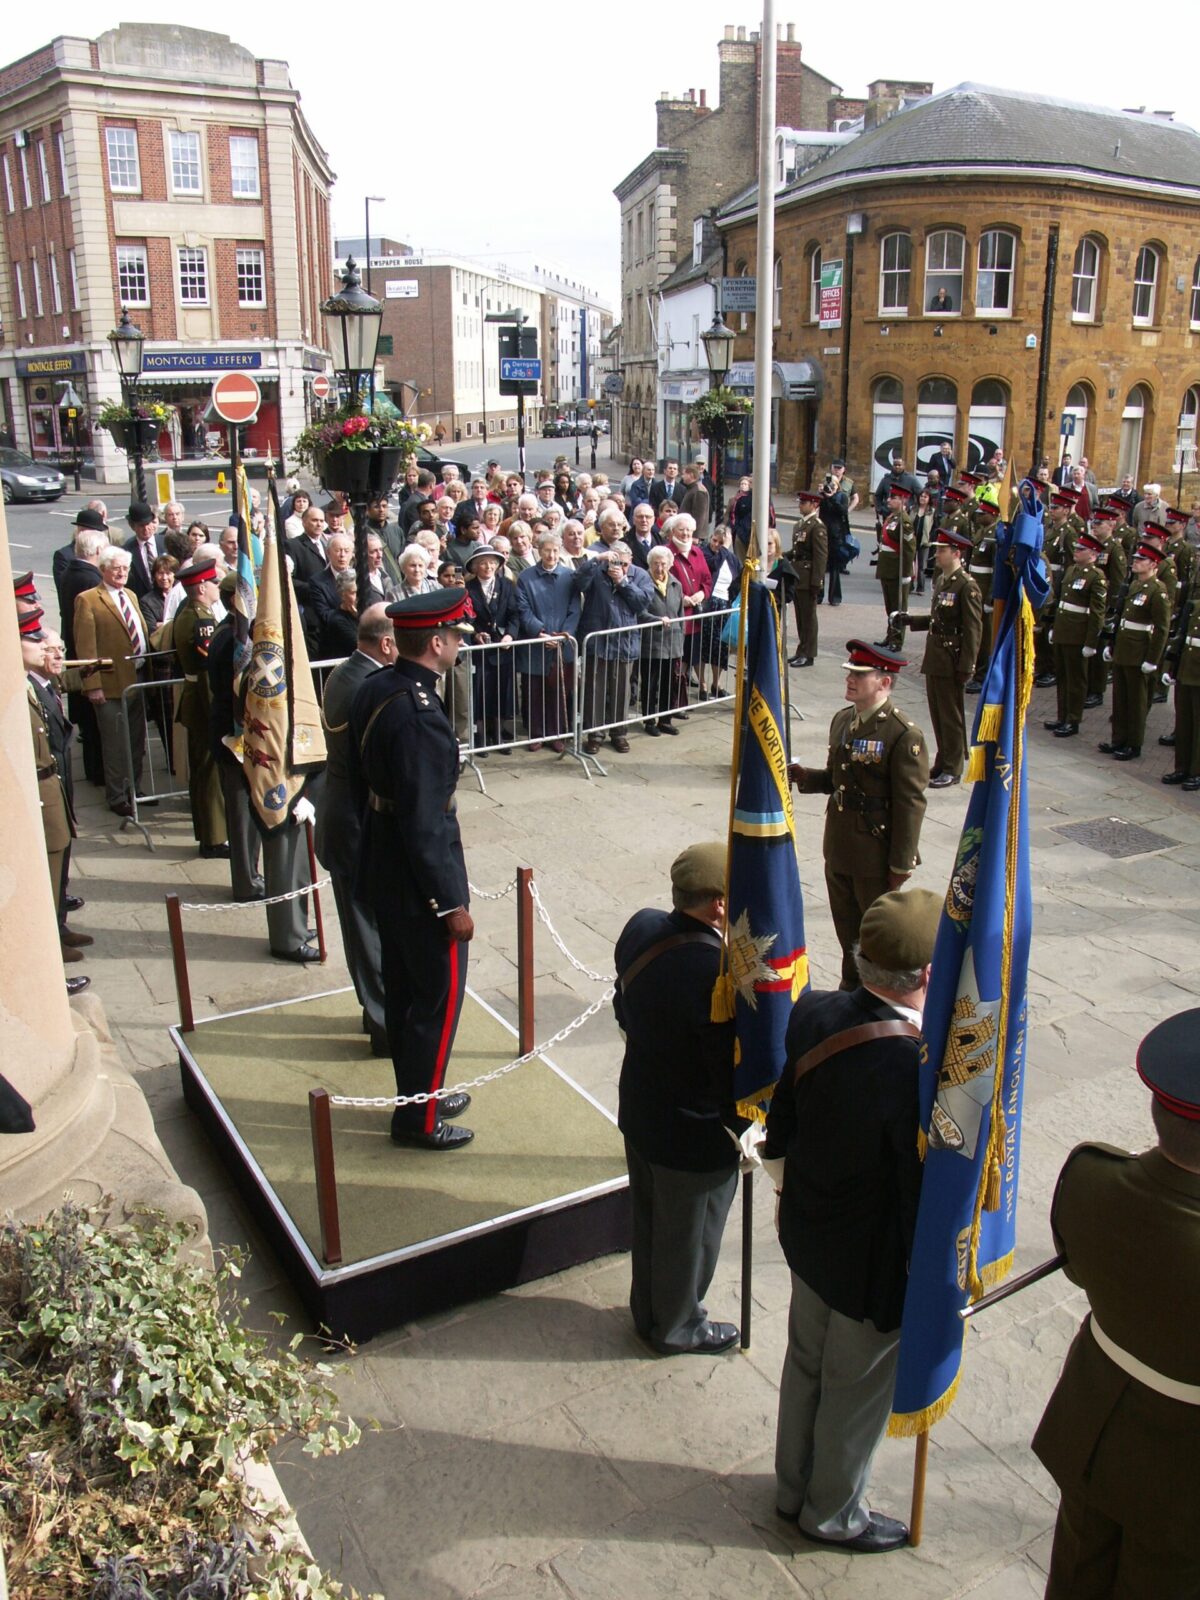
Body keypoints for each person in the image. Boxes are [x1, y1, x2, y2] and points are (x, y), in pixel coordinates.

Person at [763, 887, 942, 1552]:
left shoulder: (815, 1010)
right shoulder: (915, 1068)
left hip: (808, 1234)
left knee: (806, 1362)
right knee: (855, 1387)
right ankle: (831, 1512)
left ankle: (791, 1487)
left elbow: (783, 1121)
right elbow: (916, 1191)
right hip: (870, 1268)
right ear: (929, 975)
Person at [1032, 1009, 1200, 1598]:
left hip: (1095, 1423)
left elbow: (1078, 1266)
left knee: (1077, 1571)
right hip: (1184, 1480)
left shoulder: (1090, 1178)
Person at [349, 588, 476, 1149]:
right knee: (435, 1001)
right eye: (455, 636)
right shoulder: (420, 715)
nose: (459, 644)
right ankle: (419, 1121)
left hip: (383, 865)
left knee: (403, 996)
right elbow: (425, 823)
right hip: (420, 883)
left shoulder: (378, 684)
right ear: (436, 642)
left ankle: (418, 1093)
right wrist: (449, 903)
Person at [615, 841, 744, 1355]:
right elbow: (731, 1063)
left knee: (649, 1223)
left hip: (643, 1106)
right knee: (690, 1239)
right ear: (717, 905)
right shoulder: (718, 974)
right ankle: (676, 1327)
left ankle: (648, 1312)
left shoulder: (642, 925)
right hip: (694, 1133)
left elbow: (623, 1008)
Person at [789, 641, 929, 990]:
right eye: (850, 673)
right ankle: (850, 989)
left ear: (885, 683)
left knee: (875, 937)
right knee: (846, 932)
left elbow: (910, 802)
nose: (850, 680)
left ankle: (878, 994)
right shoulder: (843, 720)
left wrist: (901, 863)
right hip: (838, 846)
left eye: (860, 675)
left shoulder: (902, 733)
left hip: (873, 853)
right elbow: (840, 778)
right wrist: (807, 777)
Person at [315, 604, 396, 1057]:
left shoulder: (345, 673)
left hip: (342, 816)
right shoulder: (369, 687)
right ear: (386, 644)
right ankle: (385, 1026)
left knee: (360, 928)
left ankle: (374, 1012)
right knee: (369, 934)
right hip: (355, 823)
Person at [897, 526, 982, 787]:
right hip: (936, 655)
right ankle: (943, 761)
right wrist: (912, 620)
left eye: (942, 550)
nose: (938, 555)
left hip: (951, 657)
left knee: (951, 715)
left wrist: (967, 665)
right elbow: (939, 619)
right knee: (937, 712)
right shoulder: (944, 580)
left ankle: (954, 767)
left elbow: (973, 629)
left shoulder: (966, 586)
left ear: (956, 553)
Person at [73, 545, 150, 817]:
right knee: (116, 743)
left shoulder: (130, 594)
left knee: (137, 739)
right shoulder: (89, 599)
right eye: (116, 567)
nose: (122, 572)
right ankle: (117, 795)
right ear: (103, 569)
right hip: (109, 683)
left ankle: (135, 790)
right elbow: (86, 646)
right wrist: (92, 685)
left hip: (137, 678)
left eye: (125, 568)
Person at [172, 556, 229, 859]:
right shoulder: (201, 620)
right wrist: (215, 713)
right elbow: (207, 672)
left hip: (196, 701)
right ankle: (214, 837)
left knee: (205, 772)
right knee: (208, 774)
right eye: (215, 582)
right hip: (202, 704)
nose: (218, 587)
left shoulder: (193, 613)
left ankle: (211, 834)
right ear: (202, 587)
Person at [1099, 541, 1170, 761]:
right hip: (1124, 649)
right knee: (1121, 699)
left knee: (1137, 701)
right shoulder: (1135, 586)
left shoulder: (1158, 591)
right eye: (1136, 559)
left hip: (1139, 652)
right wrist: (1113, 646)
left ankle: (1134, 743)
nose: (1136, 563)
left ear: (1153, 564)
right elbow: (1123, 620)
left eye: (1141, 560)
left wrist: (1152, 659)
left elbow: (1161, 628)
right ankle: (1118, 739)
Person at [516, 531, 578, 752]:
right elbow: (523, 610)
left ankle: (558, 733)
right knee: (534, 691)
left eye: (554, 550)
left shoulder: (569, 576)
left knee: (559, 689)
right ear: (539, 551)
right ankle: (536, 733)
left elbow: (574, 609)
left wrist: (563, 635)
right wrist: (539, 632)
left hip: (562, 642)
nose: (551, 555)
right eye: (546, 550)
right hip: (535, 643)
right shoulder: (526, 577)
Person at [1045, 529, 1107, 739]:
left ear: (1093, 554)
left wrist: (1091, 642)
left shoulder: (1096, 577)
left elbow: (1097, 613)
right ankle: (1062, 716)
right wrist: (1054, 627)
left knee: (1076, 680)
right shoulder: (1072, 571)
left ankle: (1073, 719)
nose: (1077, 551)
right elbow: (1062, 603)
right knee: (1062, 677)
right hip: (1064, 631)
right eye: (1078, 547)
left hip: (1078, 635)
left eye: (1082, 549)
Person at [639, 545, 685, 736]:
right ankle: (649, 720)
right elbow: (640, 612)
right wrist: (656, 621)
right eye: (656, 564)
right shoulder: (644, 584)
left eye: (663, 564)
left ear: (669, 565)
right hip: (651, 642)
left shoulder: (676, 585)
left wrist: (680, 641)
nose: (659, 568)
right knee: (650, 683)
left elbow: (680, 613)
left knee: (669, 684)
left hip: (672, 642)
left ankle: (665, 720)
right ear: (649, 565)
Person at [787, 492, 828, 668]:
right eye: (801, 501)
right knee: (801, 618)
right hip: (799, 577)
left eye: (804, 502)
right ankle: (801, 650)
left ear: (814, 505)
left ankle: (808, 653)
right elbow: (796, 552)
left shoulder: (817, 527)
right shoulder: (801, 524)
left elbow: (820, 557)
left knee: (809, 618)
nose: (800, 505)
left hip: (808, 577)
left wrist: (817, 582)